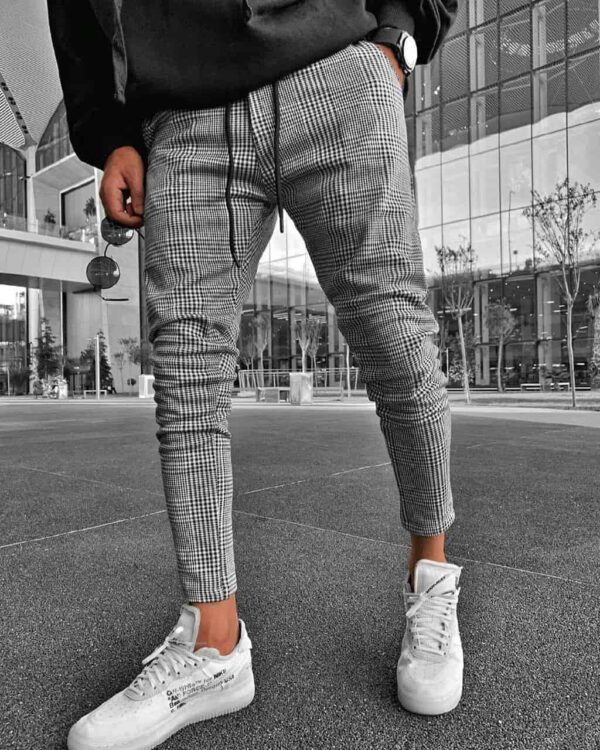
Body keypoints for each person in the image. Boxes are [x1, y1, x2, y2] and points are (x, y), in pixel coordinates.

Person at [47, 2, 463, 748]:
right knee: (187, 376)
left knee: (396, 337)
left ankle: (431, 579)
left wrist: (402, 32)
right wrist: (108, 133)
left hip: (336, 68)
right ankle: (213, 645)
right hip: (183, 107)